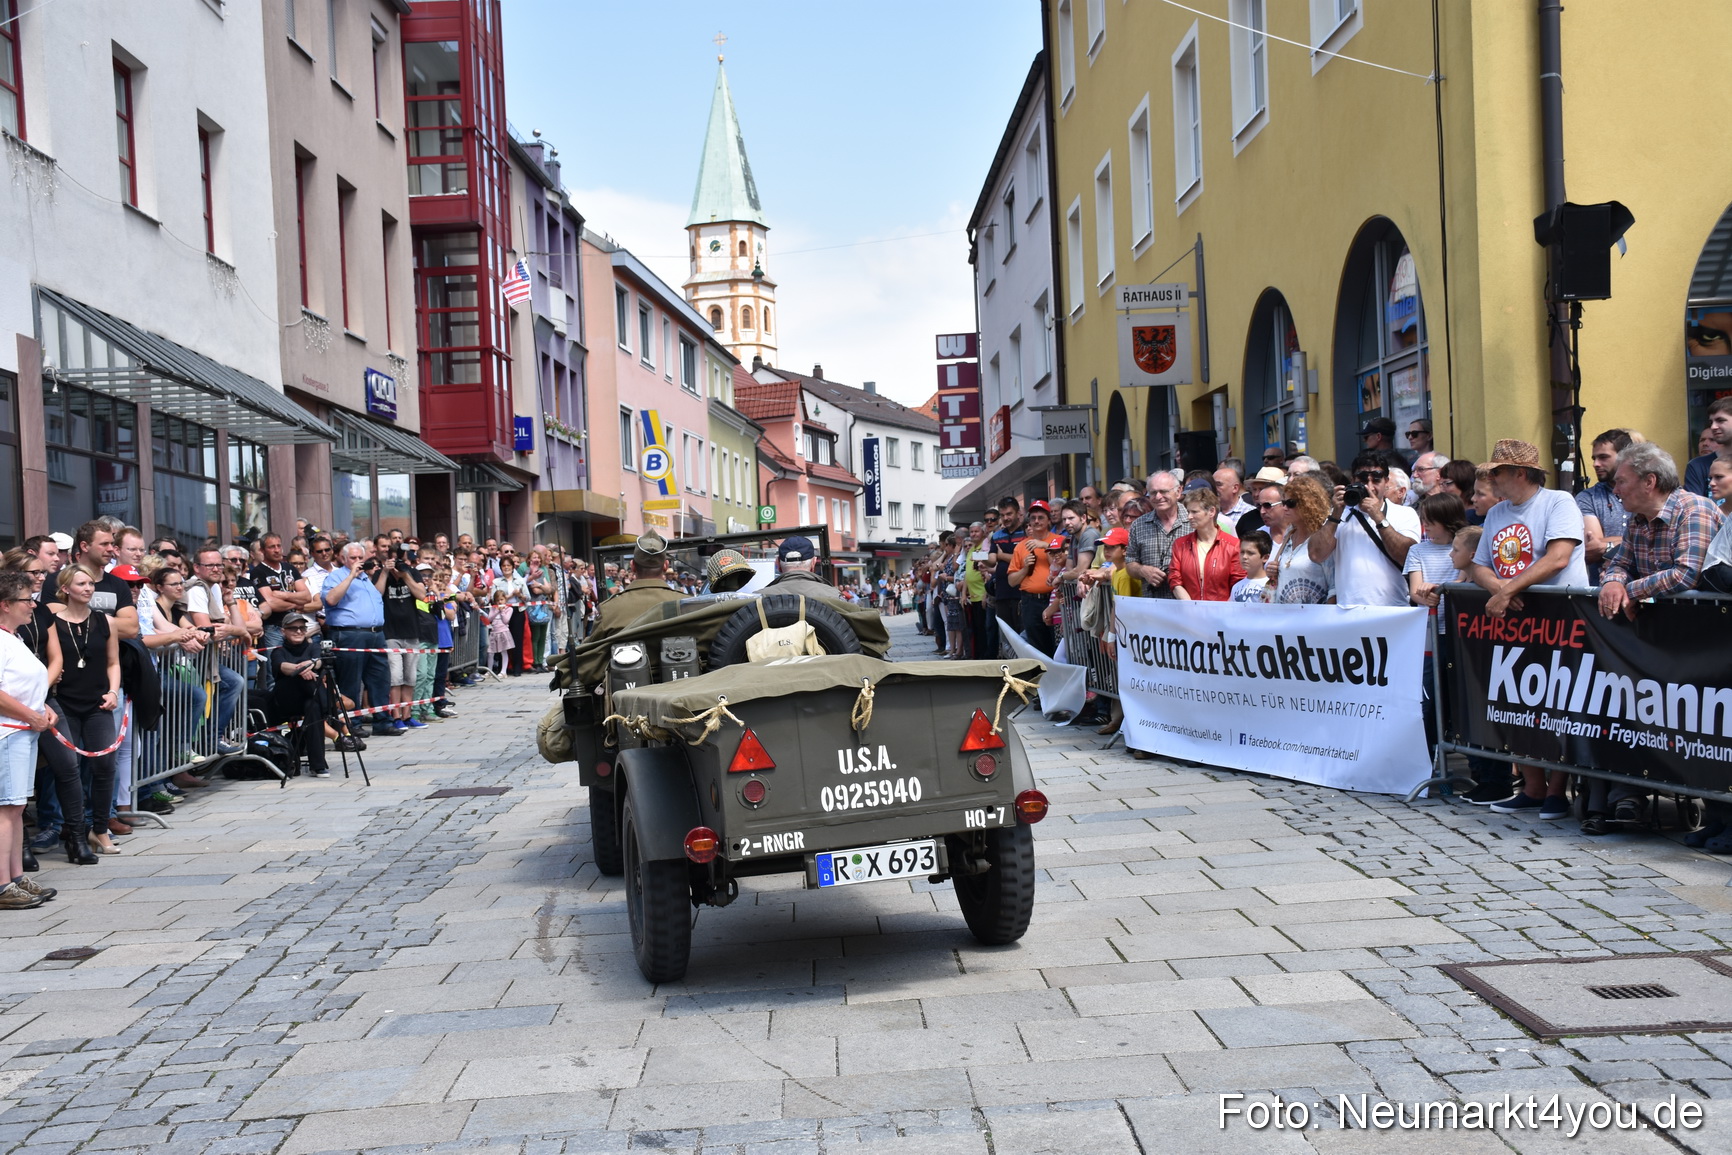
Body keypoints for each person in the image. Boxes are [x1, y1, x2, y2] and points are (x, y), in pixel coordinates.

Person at [1464, 439, 1589, 820]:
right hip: (1515, 621)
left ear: (1520, 473)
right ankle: (1532, 787)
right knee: (1515, 704)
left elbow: (1559, 557)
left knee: (1558, 706)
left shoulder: (1558, 502)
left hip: (1559, 620)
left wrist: (1511, 589)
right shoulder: (1499, 512)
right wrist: (1501, 589)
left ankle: (1557, 791)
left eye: (1497, 472)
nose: (1491, 479)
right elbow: (1479, 564)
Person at [43, 564, 120, 858]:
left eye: (90, 583)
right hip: (64, 702)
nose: (88, 588)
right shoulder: (52, 622)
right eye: (81, 584)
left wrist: (113, 692)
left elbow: (113, 662)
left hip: (98, 702)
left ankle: (99, 829)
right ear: (65, 589)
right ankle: (75, 833)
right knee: (69, 769)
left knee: (104, 766)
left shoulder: (105, 622)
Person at [0, 570, 57, 908]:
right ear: (5, 605)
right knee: (7, 808)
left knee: (16, 807)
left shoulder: (14, 638)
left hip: (22, 732)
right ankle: (3, 884)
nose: (33, 605)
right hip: (9, 733)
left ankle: (16, 876)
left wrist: (43, 708)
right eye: (26, 600)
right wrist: (31, 715)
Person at [1308, 452, 1420, 607]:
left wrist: (1378, 517)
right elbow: (1316, 555)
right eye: (1363, 480)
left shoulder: (1404, 513)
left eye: (1376, 479)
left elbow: (1406, 557)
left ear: (1386, 482)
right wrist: (1335, 515)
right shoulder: (1338, 514)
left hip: (1393, 610)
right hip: (1348, 609)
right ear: (1353, 481)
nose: (1369, 486)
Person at [321, 543, 399, 741]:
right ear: (344, 559)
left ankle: (382, 721)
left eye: (360, 558)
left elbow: (377, 595)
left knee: (380, 678)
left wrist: (381, 574)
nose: (357, 562)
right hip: (349, 634)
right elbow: (330, 600)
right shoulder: (337, 576)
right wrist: (350, 576)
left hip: (375, 634)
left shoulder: (365, 577)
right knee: (351, 681)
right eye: (353, 558)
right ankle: (351, 723)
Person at [267, 613, 335, 778]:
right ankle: (329, 708)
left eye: (302, 628)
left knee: (313, 707)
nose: (298, 631)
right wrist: (303, 669)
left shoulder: (314, 647)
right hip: (287, 699)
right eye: (293, 628)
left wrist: (310, 665)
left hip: (310, 698)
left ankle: (317, 765)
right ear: (283, 631)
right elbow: (282, 666)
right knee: (308, 683)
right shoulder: (278, 651)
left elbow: (319, 661)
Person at [590, 532, 685, 645]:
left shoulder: (608, 609)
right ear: (666, 565)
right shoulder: (686, 605)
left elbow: (592, 652)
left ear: (632, 566)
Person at [379, 548, 428, 730]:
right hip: (391, 632)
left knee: (410, 677)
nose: (396, 564)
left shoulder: (412, 572)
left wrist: (405, 575)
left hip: (412, 631)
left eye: (399, 560)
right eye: (393, 561)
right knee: (396, 677)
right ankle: (396, 717)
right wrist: (385, 571)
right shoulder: (381, 573)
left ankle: (407, 716)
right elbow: (377, 593)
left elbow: (422, 595)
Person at [1271, 474, 1336, 604]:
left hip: (1315, 620)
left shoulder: (1323, 538)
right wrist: (1273, 571)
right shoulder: (1289, 534)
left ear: (1308, 504)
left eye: (1291, 503)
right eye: (1284, 502)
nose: (1284, 508)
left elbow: (1334, 588)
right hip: (1284, 618)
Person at [1169, 490, 1244, 601]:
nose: (1189, 516)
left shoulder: (1233, 545)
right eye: (1188, 512)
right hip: (1189, 613)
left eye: (1194, 512)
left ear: (1211, 512)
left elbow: (1238, 584)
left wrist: (1224, 612)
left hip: (1223, 613)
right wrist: (1190, 606)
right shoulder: (1180, 544)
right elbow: (1174, 579)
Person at [1126, 472, 1190, 600]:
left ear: (1178, 491)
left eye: (1163, 491)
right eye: (1153, 493)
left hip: (1189, 605)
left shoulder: (1194, 521)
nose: (1158, 497)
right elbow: (1130, 563)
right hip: (1153, 607)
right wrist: (1143, 570)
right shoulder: (1138, 525)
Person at [1007, 504, 1060, 655]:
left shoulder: (1060, 540)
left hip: (1056, 599)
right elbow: (1012, 581)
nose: (1036, 521)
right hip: (1030, 602)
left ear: (1049, 520)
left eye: (1041, 517)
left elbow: (1064, 564)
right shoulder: (1021, 546)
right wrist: (1024, 568)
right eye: (1033, 518)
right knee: (1037, 647)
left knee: (1058, 646)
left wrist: (1045, 546)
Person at [987, 498, 1025, 636]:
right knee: (1006, 635)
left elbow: (1025, 561)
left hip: (1020, 591)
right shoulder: (997, 535)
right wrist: (981, 558)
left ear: (1018, 513)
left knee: (1021, 634)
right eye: (1002, 515)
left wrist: (1002, 556)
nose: (1006, 518)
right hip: (1002, 591)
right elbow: (991, 559)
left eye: (1009, 514)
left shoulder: (1026, 533)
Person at [1684, 396, 1732, 497]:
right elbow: (1694, 509)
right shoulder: (1698, 465)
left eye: (1720, 420)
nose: (1713, 427)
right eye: (1711, 422)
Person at [1230, 531, 1273, 603]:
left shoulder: (1272, 586)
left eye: (1250, 553)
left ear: (1265, 557)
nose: (1244, 557)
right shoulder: (1236, 587)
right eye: (1242, 552)